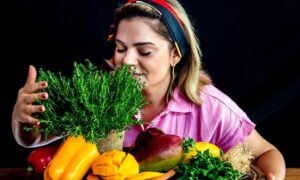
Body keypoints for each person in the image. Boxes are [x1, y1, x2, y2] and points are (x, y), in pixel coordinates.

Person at [12, 0, 285, 179]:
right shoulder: (96, 98)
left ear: (175, 56)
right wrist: (23, 120)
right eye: (120, 48)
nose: (126, 60)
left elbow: (267, 154)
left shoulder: (210, 107)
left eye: (144, 50)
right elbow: (34, 140)